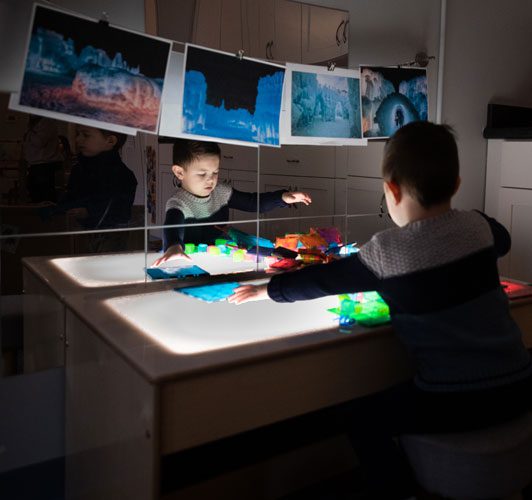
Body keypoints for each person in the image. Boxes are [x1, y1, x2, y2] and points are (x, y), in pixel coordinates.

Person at [228, 121, 532, 499]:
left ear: (391, 190)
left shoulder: (386, 252)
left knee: (361, 417)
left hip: (453, 400)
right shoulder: (478, 227)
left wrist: (267, 290)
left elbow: (324, 281)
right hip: (520, 384)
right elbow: (502, 240)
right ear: (456, 184)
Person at [152, 139, 312, 266]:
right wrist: (174, 247)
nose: (211, 179)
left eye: (215, 172)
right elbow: (172, 227)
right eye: (202, 174)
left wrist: (283, 197)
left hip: (220, 252)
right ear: (179, 172)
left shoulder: (221, 192)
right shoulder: (179, 203)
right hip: (187, 256)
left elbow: (252, 203)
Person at [48, 125, 137, 252]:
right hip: (79, 235)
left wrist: (88, 211)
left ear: (110, 141)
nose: (78, 140)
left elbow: (119, 211)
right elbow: (71, 197)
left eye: (86, 135)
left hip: (108, 239)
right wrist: (59, 207)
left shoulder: (122, 175)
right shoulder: (79, 169)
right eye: (78, 134)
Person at [22, 116, 63, 202]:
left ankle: (46, 213)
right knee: (34, 191)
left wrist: (31, 130)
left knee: (44, 195)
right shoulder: (36, 124)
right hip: (36, 164)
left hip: (44, 164)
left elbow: (39, 142)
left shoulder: (47, 122)